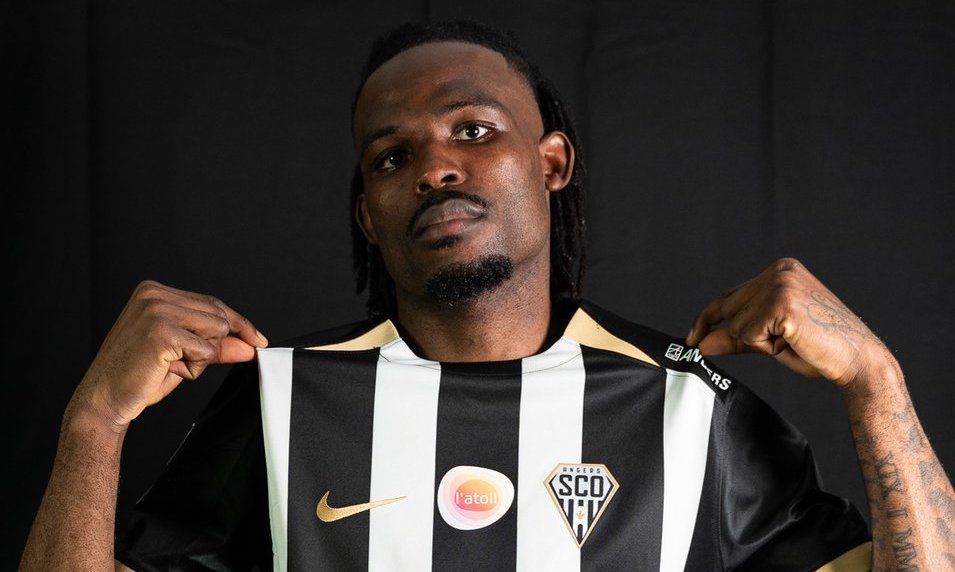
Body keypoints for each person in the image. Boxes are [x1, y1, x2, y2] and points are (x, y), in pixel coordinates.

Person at [20, 20, 954, 572]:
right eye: (392, 156)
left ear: (551, 162)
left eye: (472, 129)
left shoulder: (688, 404)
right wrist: (93, 423)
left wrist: (875, 384)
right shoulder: (278, 399)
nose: (434, 166)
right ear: (367, 213)